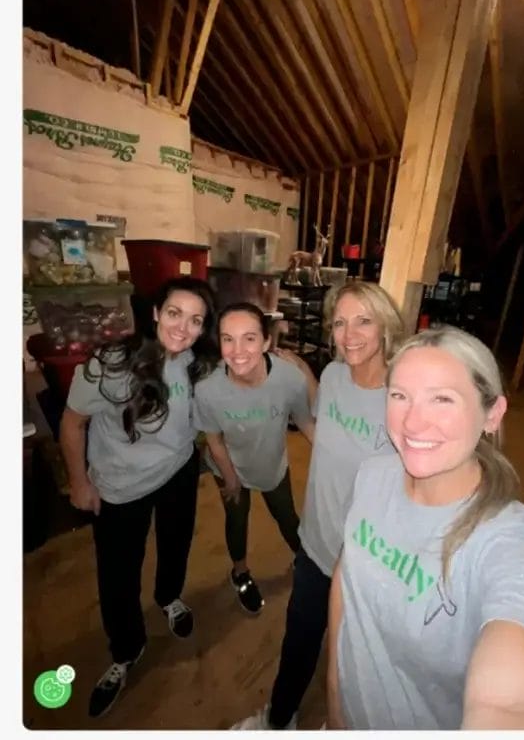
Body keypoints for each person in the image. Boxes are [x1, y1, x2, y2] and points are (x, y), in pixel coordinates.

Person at [326, 325, 524, 730]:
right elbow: (346, 577)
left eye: (442, 399)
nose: (413, 421)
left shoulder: (508, 547)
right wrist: (335, 694)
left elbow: (521, 704)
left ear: (492, 415)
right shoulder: (373, 475)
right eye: (400, 396)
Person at [232, 281, 406, 730]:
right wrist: (307, 379)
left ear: (385, 325)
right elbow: (325, 434)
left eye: (363, 320)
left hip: (367, 563)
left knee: (355, 661)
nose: (349, 334)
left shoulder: (402, 399)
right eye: (341, 322)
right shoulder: (331, 375)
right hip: (315, 545)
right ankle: (279, 719)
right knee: (299, 641)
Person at [59, 276, 220, 719]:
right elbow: (72, 424)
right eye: (174, 314)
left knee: (176, 543)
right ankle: (126, 651)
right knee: (117, 575)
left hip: (178, 473)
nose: (183, 328)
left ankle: (169, 596)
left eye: (195, 320)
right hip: (119, 488)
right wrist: (79, 483)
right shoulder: (111, 363)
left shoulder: (198, 362)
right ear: (154, 313)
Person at [194, 303, 317, 615]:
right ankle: (240, 573)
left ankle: (305, 562)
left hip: (271, 463)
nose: (237, 351)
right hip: (228, 464)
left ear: (265, 342)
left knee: (287, 517)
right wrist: (231, 478)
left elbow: (305, 422)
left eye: (249, 338)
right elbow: (214, 439)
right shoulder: (208, 390)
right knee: (236, 519)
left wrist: (334, 459)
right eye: (228, 339)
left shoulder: (288, 378)